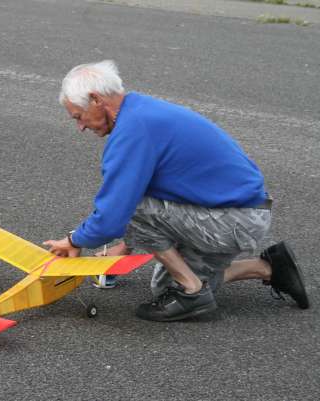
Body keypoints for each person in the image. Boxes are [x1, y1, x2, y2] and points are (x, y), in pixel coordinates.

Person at [43, 60, 310, 322]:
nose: (80, 127)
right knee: (164, 287)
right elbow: (149, 193)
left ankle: (193, 292)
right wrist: (123, 248)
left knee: (134, 213)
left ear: (95, 99)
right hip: (238, 210)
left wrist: (74, 240)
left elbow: (115, 214)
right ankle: (270, 268)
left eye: (78, 116)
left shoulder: (133, 131)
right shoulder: (141, 111)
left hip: (236, 219)